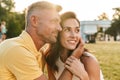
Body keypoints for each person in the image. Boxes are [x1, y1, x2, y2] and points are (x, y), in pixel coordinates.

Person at [0, 1, 80, 80]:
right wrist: (73, 58)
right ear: (35, 21)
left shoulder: (40, 50)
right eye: (54, 21)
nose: (59, 28)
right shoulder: (17, 51)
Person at [46, 12, 104, 80]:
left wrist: (83, 76)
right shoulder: (51, 58)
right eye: (67, 30)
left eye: (77, 30)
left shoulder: (89, 60)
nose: (73, 35)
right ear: (58, 33)